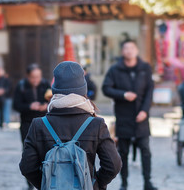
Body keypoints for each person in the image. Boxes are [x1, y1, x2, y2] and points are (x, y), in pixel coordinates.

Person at [20, 61, 122, 190]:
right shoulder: (96, 124)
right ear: (83, 88)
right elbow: (113, 165)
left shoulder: (38, 125)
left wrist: (48, 184)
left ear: (55, 88)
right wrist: (94, 184)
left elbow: (27, 167)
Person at [102, 40, 157, 190]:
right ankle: (124, 184)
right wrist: (123, 94)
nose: (129, 51)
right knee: (123, 152)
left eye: (132, 48)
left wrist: (145, 111)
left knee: (145, 150)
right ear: (122, 51)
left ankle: (147, 182)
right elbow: (106, 88)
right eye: (126, 48)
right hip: (123, 116)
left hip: (141, 116)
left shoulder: (145, 68)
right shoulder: (115, 70)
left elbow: (149, 91)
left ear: (137, 50)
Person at [13, 63, 51, 190]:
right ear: (27, 76)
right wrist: (30, 106)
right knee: (28, 151)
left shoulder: (46, 84)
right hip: (27, 123)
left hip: (43, 123)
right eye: (33, 77)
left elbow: (52, 99)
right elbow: (16, 105)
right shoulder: (21, 86)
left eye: (38, 77)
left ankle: (44, 179)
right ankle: (30, 182)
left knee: (44, 151)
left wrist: (46, 105)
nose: (36, 80)